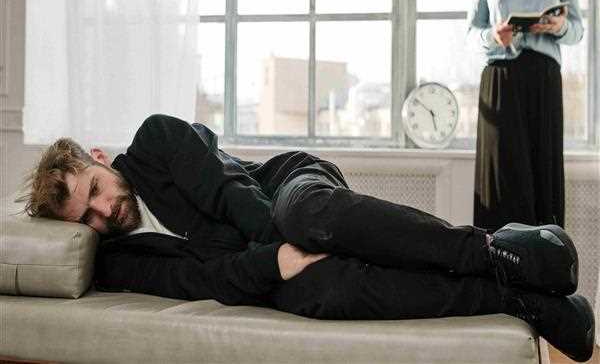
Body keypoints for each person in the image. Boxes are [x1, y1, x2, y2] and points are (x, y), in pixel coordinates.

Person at [24, 114, 594, 362]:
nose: (105, 210)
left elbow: (230, 192)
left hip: (285, 188)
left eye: (95, 188)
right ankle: (518, 301)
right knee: (319, 291)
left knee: (307, 219)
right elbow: (199, 280)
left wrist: (285, 246)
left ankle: (496, 251)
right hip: (273, 256)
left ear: (98, 158)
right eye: (87, 217)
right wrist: (274, 265)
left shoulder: (155, 140)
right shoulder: (121, 258)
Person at [467, 0, 584, 233]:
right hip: (501, 81)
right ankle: (496, 266)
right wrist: (495, 35)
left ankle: (543, 266)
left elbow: (577, 30)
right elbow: (473, 33)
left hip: (543, 80)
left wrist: (558, 26)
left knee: (541, 178)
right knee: (503, 185)